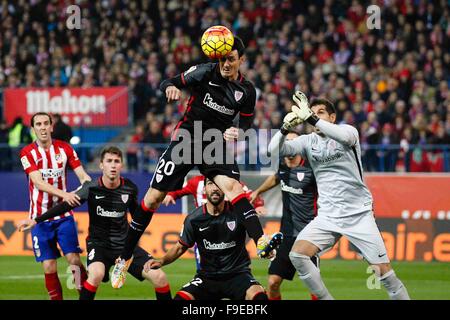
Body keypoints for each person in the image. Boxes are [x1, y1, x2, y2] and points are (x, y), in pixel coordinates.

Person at [112, 36, 281, 288]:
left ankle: (260, 241)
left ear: (241, 60)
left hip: (214, 145)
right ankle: (123, 258)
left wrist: (239, 131)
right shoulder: (204, 72)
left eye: (231, 59)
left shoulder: (247, 91)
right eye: (222, 58)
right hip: (187, 139)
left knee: (234, 189)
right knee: (152, 200)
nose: (225, 63)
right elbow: (168, 81)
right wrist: (170, 88)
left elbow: (245, 121)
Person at [268, 91, 410, 300]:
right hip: (328, 217)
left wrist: (311, 117)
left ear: (332, 117)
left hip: (359, 215)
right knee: (297, 254)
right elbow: (273, 152)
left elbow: (342, 136)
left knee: (384, 273)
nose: (314, 116)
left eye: (321, 112)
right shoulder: (308, 141)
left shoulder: (348, 131)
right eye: (312, 112)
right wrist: (284, 128)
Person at [17, 146, 172, 300]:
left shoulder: (130, 188)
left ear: (121, 165)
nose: (113, 165)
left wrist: (133, 244)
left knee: (159, 277)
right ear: (101, 165)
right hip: (98, 245)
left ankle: (122, 265)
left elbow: (137, 217)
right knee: (96, 274)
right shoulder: (91, 188)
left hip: (125, 247)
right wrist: (35, 220)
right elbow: (65, 206)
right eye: (109, 161)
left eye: (116, 161)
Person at [145, 177, 269, 300]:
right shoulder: (193, 219)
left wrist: (266, 247)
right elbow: (179, 248)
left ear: (225, 189)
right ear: (204, 189)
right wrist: (161, 261)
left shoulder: (240, 213)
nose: (215, 188)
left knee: (260, 298)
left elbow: (258, 237)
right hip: (207, 278)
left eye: (218, 185)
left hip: (238, 275)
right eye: (210, 184)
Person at [19, 112, 91, 300]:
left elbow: (83, 176)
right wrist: (66, 195)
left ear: (52, 127)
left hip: (63, 217)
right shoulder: (27, 153)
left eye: (45, 124)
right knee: (49, 266)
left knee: (74, 261)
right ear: (33, 129)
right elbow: (38, 182)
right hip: (39, 218)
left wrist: (86, 185)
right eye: (38, 124)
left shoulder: (65, 149)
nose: (42, 127)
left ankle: (83, 295)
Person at [251, 131, 319, 300]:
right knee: (273, 282)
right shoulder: (283, 165)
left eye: (292, 142)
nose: (288, 145)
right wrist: (258, 191)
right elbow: (276, 178)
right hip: (286, 235)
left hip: (308, 235)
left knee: (315, 287)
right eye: (286, 141)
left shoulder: (312, 168)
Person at [162, 174, 267, 270]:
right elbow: (181, 189)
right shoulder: (196, 182)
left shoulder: (229, 181)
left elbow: (248, 193)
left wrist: (258, 204)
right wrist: (171, 195)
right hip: (202, 232)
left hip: (225, 228)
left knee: (232, 267)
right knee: (205, 270)